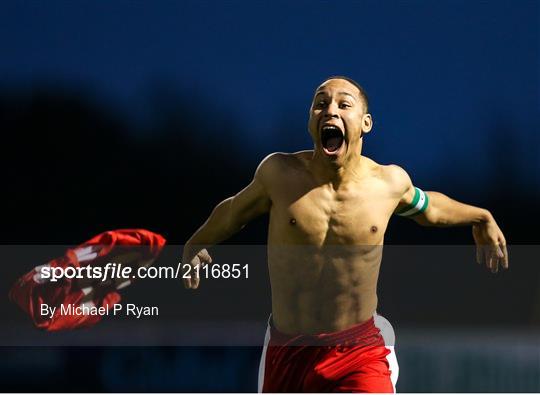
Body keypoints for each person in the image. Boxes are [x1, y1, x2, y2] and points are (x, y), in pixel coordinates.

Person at [181, 76, 508, 393]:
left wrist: (481, 216)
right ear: (310, 122)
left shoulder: (387, 184)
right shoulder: (279, 174)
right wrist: (197, 242)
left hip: (359, 350)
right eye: (320, 104)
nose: (330, 110)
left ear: (366, 123)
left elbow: (430, 208)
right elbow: (234, 211)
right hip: (289, 350)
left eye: (343, 104)